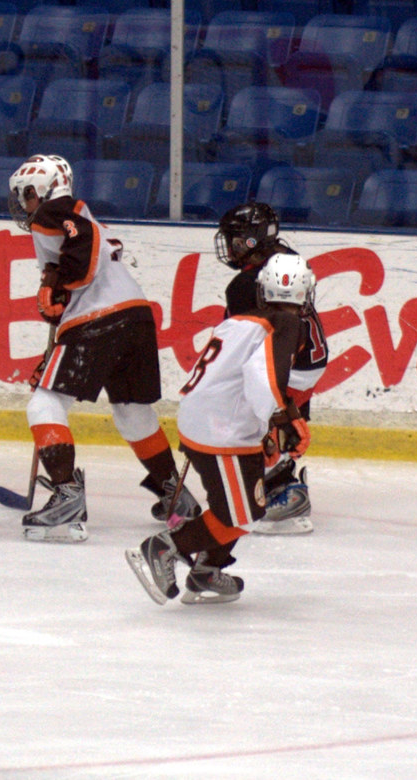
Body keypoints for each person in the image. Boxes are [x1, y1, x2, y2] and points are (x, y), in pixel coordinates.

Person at [7, 154, 199, 543]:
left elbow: (79, 241)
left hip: (97, 319)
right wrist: (58, 285)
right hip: (135, 316)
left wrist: (60, 282)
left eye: (26, 195)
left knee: (44, 404)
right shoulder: (86, 220)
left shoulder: (56, 210)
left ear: (44, 190)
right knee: (132, 412)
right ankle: (176, 496)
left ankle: (67, 498)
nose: (23, 204)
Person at [125, 253, 317, 604]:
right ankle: (165, 548)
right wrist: (282, 419)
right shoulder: (289, 324)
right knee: (242, 514)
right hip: (223, 430)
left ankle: (207, 570)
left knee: (244, 504)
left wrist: (274, 420)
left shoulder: (239, 320)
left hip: (212, 421)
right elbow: (263, 377)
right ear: (306, 293)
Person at [213, 202, 328, 535]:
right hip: (304, 359)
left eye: (236, 239)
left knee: (248, 413)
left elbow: (246, 339)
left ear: (253, 240)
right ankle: (277, 480)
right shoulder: (287, 258)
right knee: (270, 416)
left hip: (290, 362)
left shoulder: (245, 284)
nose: (230, 247)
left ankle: (285, 492)